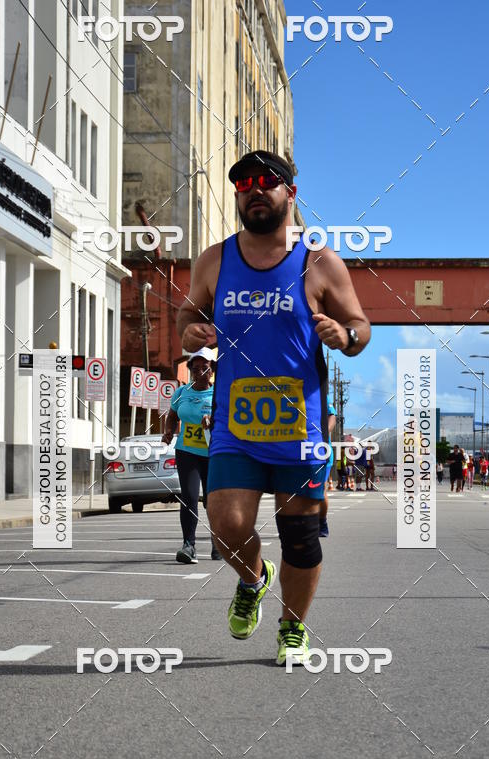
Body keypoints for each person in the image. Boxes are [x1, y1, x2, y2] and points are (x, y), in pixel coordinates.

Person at [176, 149, 371, 665]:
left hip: (300, 427)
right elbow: (188, 316)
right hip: (236, 426)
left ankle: (293, 627)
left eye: (267, 181)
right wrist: (191, 331)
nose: (254, 189)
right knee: (226, 526)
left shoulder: (319, 260)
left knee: (301, 537)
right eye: (243, 183)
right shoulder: (215, 260)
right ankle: (253, 578)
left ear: (290, 193)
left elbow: (360, 326)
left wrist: (344, 334)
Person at [162, 348, 222, 563]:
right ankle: (189, 546)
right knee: (188, 498)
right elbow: (172, 415)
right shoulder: (181, 393)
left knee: (212, 500)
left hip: (213, 454)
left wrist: (212, 421)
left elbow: (229, 421)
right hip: (187, 451)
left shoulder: (219, 394)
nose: (199, 372)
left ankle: (218, 543)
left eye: (204, 368)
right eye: (194, 369)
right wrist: (168, 431)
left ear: (212, 370)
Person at [318, 402, 337, 537]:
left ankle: (322, 522)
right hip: (298, 450)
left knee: (320, 489)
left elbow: (332, 416)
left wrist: (323, 435)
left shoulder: (322, 394)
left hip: (321, 451)